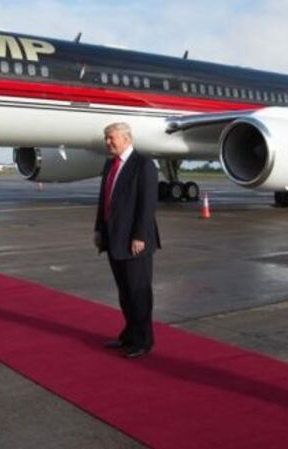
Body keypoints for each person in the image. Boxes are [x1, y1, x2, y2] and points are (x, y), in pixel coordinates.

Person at [94, 122, 160, 359]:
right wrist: (99, 229)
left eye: (111, 138)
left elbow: (147, 205)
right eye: (106, 138)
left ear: (126, 138)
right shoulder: (110, 165)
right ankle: (130, 334)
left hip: (135, 241)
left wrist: (140, 235)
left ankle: (144, 341)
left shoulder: (143, 165)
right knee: (124, 291)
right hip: (114, 239)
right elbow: (104, 201)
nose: (107, 142)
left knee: (138, 292)